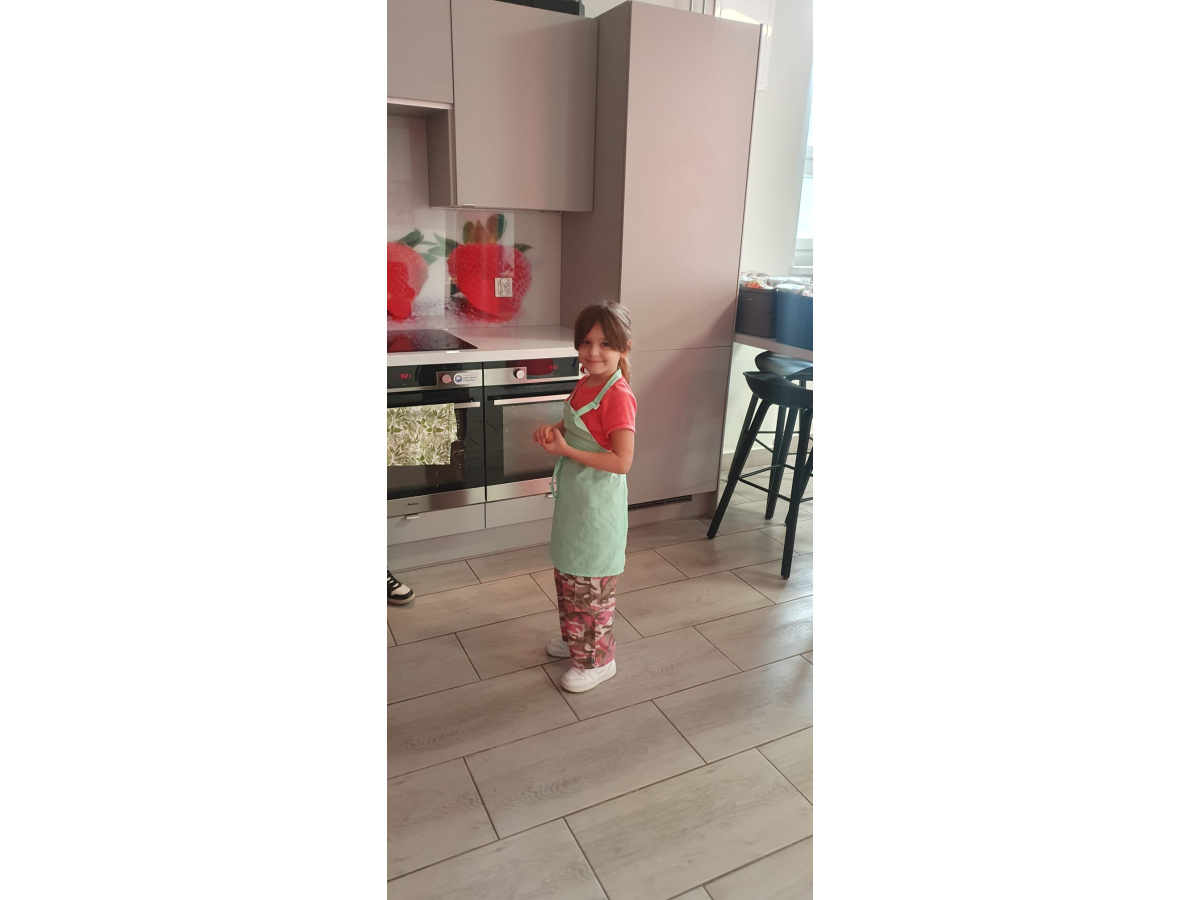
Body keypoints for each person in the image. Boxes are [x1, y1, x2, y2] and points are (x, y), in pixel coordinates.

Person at [533, 301, 636, 693]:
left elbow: (622, 461)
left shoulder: (618, 395)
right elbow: (576, 422)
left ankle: (597, 661)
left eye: (605, 344)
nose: (593, 352)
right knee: (570, 574)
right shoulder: (587, 382)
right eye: (586, 342)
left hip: (597, 506)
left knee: (590, 584)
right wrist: (555, 430)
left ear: (624, 348)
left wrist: (567, 451)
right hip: (577, 500)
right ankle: (575, 639)